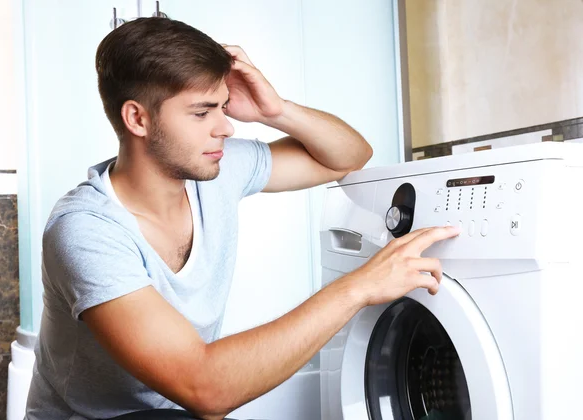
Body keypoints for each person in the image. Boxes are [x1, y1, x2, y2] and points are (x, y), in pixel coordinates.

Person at [25, 17, 458, 420]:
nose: (225, 127)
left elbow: (349, 156)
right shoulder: (86, 231)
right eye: (201, 112)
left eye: (223, 106)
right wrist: (360, 286)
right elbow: (206, 389)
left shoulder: (216, 169)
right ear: (137, 118)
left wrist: (276, 110)